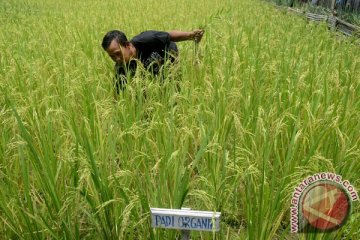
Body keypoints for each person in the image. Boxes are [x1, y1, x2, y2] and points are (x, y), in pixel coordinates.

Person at [101, 29, 204, 93]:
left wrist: (191, 35)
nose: (117, 59)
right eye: (112, 56)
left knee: (171, 85)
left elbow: (169, 35)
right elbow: (117, 93)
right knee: (143, 92)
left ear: (127, 45)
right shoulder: (121, 68)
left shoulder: (145, 40)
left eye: (118, 53)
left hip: (167, 56)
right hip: (151, 68)